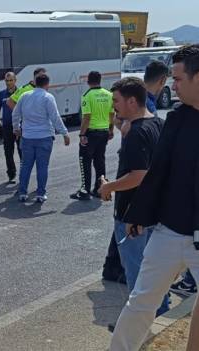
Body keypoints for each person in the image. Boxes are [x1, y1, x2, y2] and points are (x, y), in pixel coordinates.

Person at [109, 44, 199, 351]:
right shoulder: (176, 119)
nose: (172, 86)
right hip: (170, 233)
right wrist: (139, 216)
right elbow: (158, 172)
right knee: (141, 301)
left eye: (178, 78)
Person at [97, 77, 169, 330]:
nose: (112, 106)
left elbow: (139, 175)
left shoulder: (137, 133)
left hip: (132, 215)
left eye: (115, 101)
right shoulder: (157, 124)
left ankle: (136, 325)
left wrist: (108, 187)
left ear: (131, 101)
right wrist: (122, 125)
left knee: (137, 273)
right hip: (154, 212)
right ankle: (161, 308)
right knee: (154, 270)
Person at [12, 73, 71, 203]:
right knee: (42, 167)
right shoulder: (48, 97)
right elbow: (55, 117)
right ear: (47, 84)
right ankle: (40, 194)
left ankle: (22, 192)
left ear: (35, 82)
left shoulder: (24, 96)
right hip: (44, 137)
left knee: (25, 165)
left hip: (27, 137)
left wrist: (16, 129)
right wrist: (64, 133)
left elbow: (15, 114)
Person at [71, 71, 115, 200]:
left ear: (88, 81)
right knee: (100, 161)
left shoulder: (87, 95)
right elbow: (112, 115)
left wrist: (82, 134)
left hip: (91, 133)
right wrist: (111, 130)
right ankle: (99, 189)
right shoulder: (109, 95)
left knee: (85, 161)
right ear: (100, 80)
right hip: (104, 131)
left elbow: (87, 117)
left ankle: (85, 190)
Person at [115, 60, 169, 136]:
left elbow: (117, 120)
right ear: (163, 80)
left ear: (144, 77)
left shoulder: (135, 98)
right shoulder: (146, 104)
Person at [0, 72, 21, 183]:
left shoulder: (21, 93)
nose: (9, 83)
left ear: (15, 80)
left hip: (19, 127)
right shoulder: (1, 94)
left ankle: (23, 175)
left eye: (11, 80)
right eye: (7, 80)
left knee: (21, 151)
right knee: (8, 151)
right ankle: (11, 174)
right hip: (7, 127)